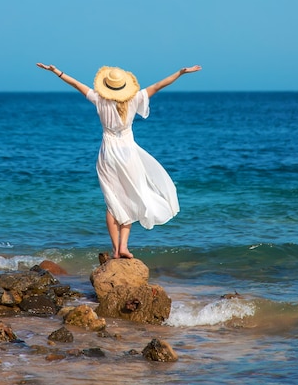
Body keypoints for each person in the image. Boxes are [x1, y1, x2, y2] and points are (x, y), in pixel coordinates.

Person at [36, 62, 202, 259]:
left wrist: (56, 71)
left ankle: (116, 250)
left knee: (112, 202)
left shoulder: (99, 100)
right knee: (129, 196)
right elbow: (159, 85)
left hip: (108, 154)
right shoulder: (135, 98)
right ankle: (124, 246)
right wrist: (181, 73)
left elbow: (76, 84)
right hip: (129, 154)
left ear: (106, 85)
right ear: (125, 86)